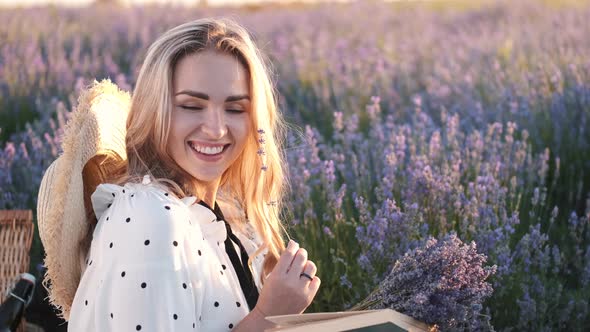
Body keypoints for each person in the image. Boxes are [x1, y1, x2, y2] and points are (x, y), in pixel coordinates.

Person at [37, 18, 320, 331]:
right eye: (191, 106)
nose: (216, 129)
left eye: (235, 108)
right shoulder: (150, 217)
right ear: (157, 112)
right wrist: (267, 316)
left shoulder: (220, 214)